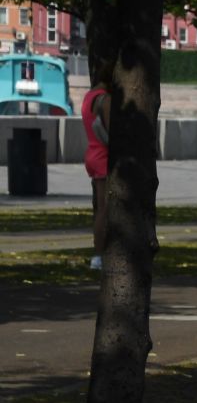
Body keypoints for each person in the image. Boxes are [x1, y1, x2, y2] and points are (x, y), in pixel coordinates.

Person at [81, 71, 109, 271]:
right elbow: (112, 132)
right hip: (103, 156)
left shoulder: (89, 96)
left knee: (100, 208)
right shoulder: (105, 99)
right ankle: (99, 256)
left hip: (92, 151)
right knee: (104, 210)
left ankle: (99, 255)